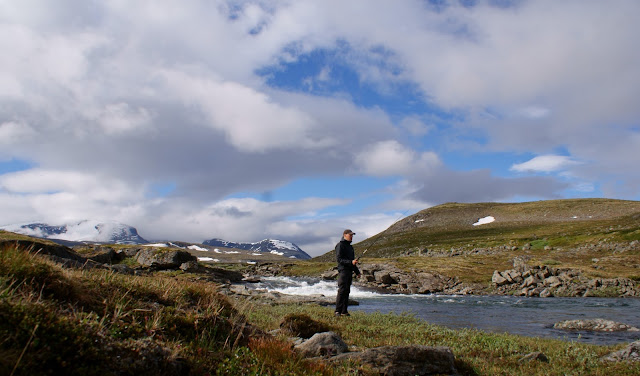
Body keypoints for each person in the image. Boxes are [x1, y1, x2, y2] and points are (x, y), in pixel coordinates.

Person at [335, 229, 361, 317]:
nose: (351, 236)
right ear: (344, 235)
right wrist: (351, 262)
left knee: (347, 291)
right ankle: (337, 311)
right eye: (350, 235)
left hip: (349, 271)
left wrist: (357, 272)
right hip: (343, 271)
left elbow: (352, 261)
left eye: (352, 235)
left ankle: (344, 311)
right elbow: (339, 259)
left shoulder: (350, 247)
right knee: (342, 291)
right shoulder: (340, 245)